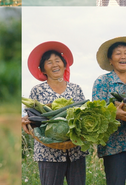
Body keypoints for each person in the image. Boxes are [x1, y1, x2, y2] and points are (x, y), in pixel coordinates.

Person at [22, 41, 88, 185]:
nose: (55, 64)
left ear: (64, 65)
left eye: (58, 61)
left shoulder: (76, 89)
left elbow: (85, 114)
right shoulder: (37, 90)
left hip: (75, 151)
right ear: (43, 69)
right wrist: (26, 121)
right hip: (48, 153)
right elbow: (32, 116)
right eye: (49, 62)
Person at [92, 36, 126, 185]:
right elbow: (95, 113)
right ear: (110, 60)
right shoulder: (102, 82)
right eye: (118, 53)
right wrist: (113, 114)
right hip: (114, 146)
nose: (123, 56)